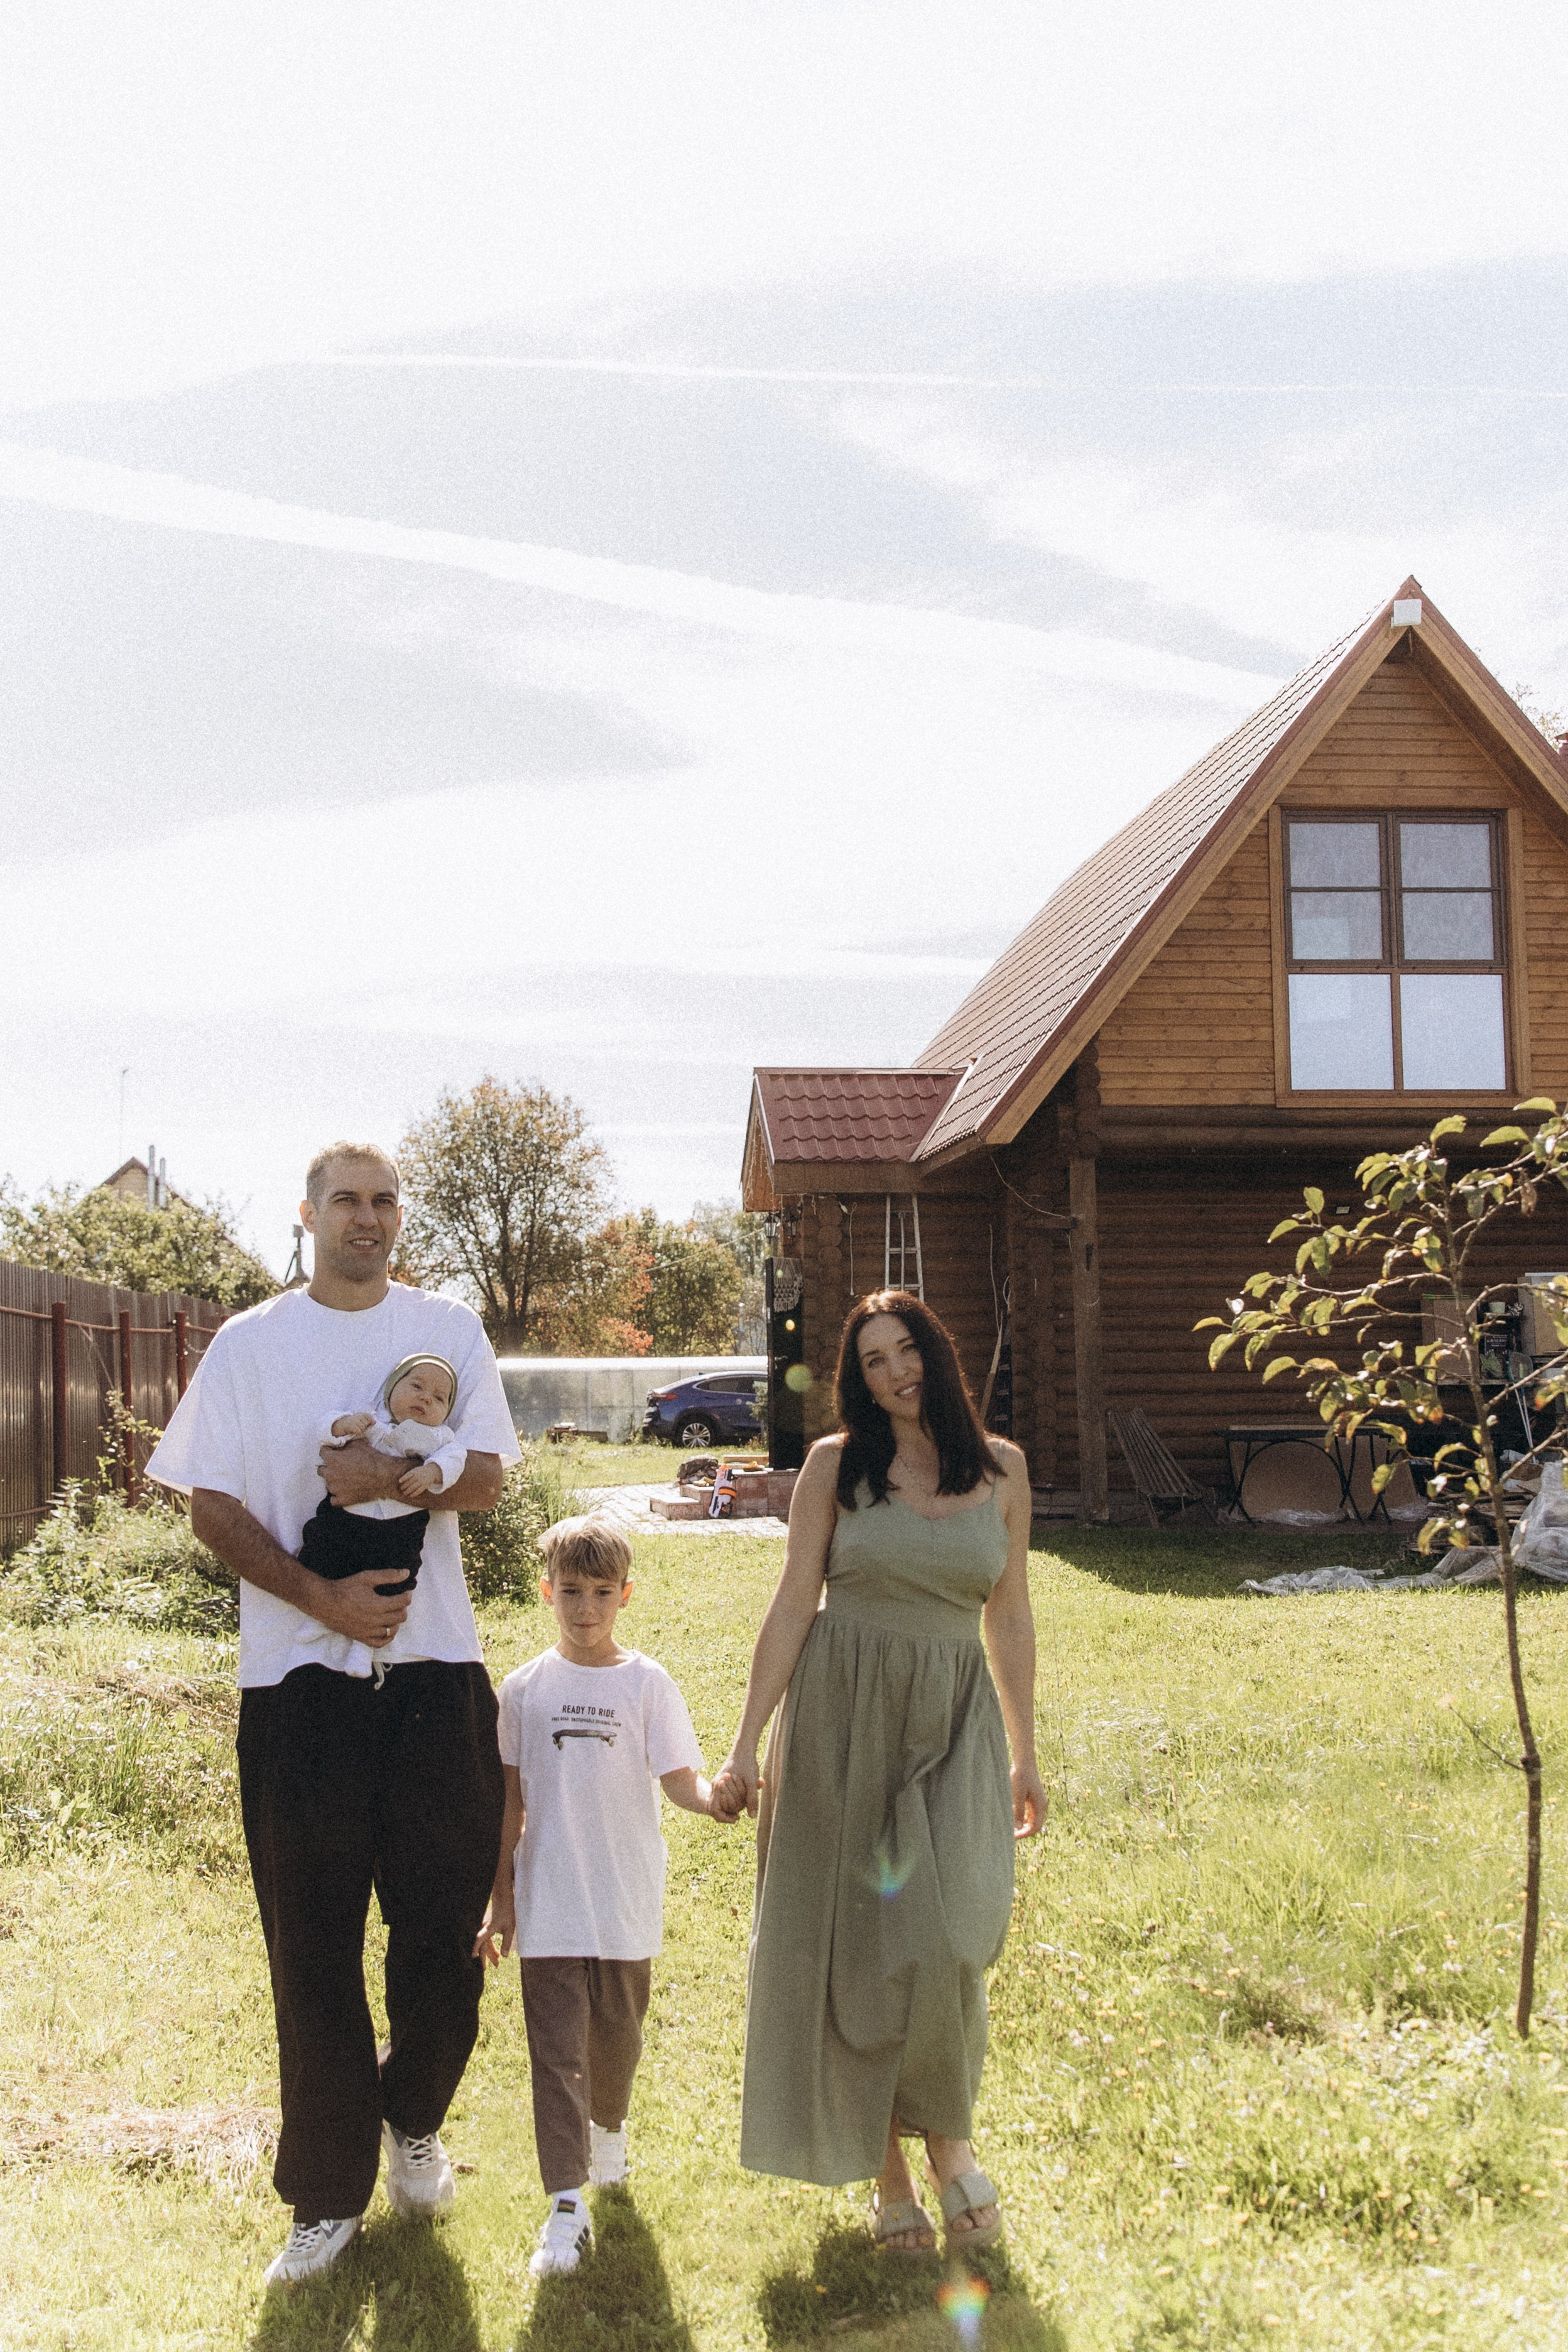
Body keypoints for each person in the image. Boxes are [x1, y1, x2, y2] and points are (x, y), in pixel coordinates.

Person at [146, 1142, 521, 2289]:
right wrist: (321, 1596)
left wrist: (397, 1482)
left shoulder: (449, 1325)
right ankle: (322, 2196)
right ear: (308, 1214)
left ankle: (411, 2113)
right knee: (309, 1945)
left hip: (435, 1671)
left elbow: (493, 1474)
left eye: (386, 1199)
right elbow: (212, 1504)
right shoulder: (250, 1343)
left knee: (448, 1926)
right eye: (347, 1199)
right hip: (297, 1687)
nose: (369, 1216)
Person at [712, 1288, 1045, 2255]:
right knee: (848, 1939)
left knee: (947, 1932)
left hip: (952, 1719)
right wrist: (743, 1744)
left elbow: (1011, 1616)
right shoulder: (835, 1466)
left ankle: (946, 2133)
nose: (893, 1372)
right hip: (840, 1716)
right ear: (857, 1382)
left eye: (905, 1352)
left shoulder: (1005, 1470)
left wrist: (1027, 1751)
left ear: (936, 1354)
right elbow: (789, 1607)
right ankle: (900, 2167)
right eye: (872, 1362)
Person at [475, 1513, 729, 2278]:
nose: (585, 1609)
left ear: (626, 1596)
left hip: (623, 1903)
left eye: (602, 1594)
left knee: (614, 2044)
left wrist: (717, 1797)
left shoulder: (648, 1685)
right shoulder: (523, 1690)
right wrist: (502, 1897)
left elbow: (680, 1781)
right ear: (548, 1593)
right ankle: (564, 2207)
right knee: (555, 2056)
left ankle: (609, 2129)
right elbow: (509, 1807)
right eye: (572, 1593)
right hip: (550, 1903)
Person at [302, 1353, 467, 1611]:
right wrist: (343, 1424)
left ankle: (388, 1603)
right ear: (391, 1391)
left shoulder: (440, 1437)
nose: (426, 1398)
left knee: (400, 1571)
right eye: (416, 1386)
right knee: (325, 1547)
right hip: (347, 1516)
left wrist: (432, 1472)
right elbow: (325, 1432)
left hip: (401, 1525)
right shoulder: (372, 1423)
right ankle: (317, 1584)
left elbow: (456, 1459)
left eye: (439, 1398)